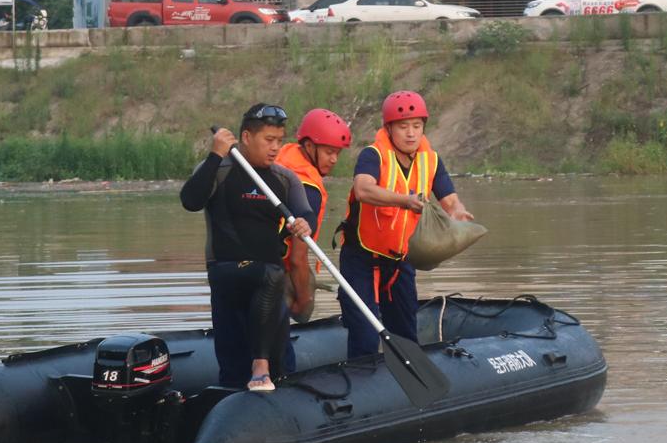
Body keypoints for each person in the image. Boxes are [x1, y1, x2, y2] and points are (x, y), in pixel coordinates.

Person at [180, 104, 314, 392]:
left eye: (279, 141)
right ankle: (238, 387)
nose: (275, 148)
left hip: (269, 279)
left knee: (271, 281)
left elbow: (306, 213)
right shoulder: (219, 170)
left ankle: (272, 380)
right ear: (246, 137)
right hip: (226, 273)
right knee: (232, 362)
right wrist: (216, 154)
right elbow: (190, 200)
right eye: (268, 140)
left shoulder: (284, 179)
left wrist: (305, 224)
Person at [337, 90, 473, 358]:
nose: (411, 133)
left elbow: (449, 198)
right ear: (389, 128)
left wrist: (458, 212)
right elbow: (364, 190)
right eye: (403, 127)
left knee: (405, 336)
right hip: (360, 259)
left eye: (417, 126)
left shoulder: (431, 159)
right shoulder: (372, 155)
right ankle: (362, 382)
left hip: (399, 262)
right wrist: (404, 201)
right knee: (364, 334)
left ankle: (403, 384)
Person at [274, 108, 352, 320]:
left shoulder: (282, 158)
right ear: (309, 146)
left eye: (338, 153)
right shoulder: (309, 190)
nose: (334, 159)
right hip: (274, 272)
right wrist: (305, 301)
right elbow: (298, 258)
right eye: (329, 152)